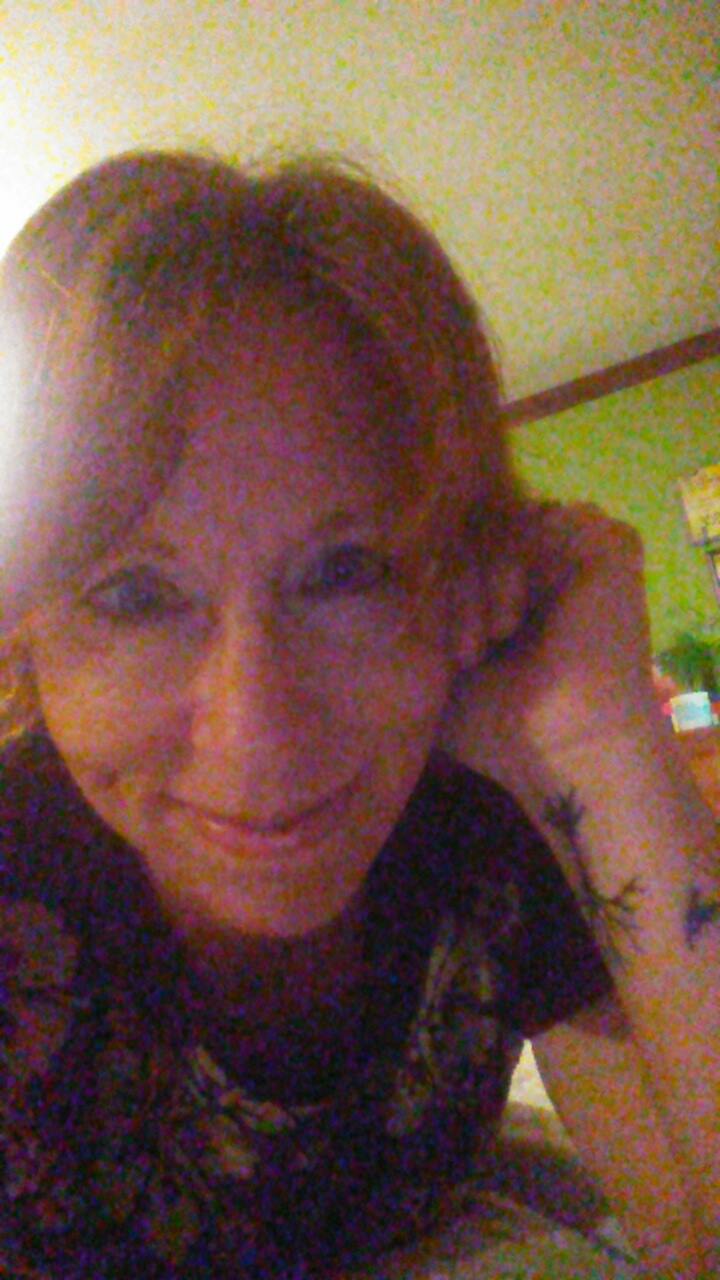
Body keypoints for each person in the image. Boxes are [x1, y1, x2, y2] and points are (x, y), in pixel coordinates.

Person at [0, 149, 716, 1280]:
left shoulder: (486, 821)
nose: (256, 733)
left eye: (347, 570)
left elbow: (685, 1228)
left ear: (461, 567)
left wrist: (609, 743)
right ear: (23, 630)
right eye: (135, 594)